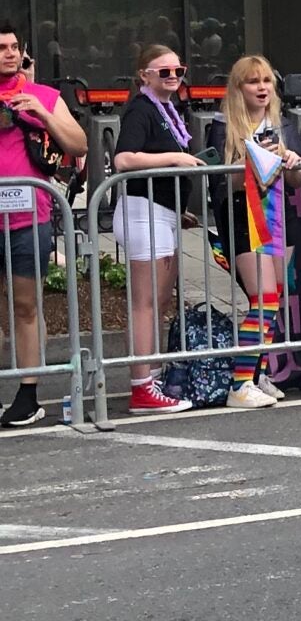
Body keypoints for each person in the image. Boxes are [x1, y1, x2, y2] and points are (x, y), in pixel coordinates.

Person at [0, 23, 89, 427]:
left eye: (14, 47)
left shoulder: (43, 95)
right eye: (2, 47)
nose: (9, 54)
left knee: (25, 305)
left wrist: (42, 115)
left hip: (28, 216)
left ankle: (28, 394)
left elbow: (79, 144)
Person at [111, 43, 206, 413]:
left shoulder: (168, 108)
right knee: (146, 302)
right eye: (164, 71)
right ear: (144, 75)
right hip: (143, 210)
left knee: (159, 300)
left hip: (161, 209)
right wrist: (175, 158)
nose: (173, 77)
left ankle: (149, 377)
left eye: (178, 71)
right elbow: (124, 158)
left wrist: (177, 209)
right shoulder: (141, 108)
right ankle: (141, 385)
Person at [210, 56, 301, 409]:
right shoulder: (222, 126)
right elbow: (222, 182)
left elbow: (298, 179)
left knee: (273, 299)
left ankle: (258, 373)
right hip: (242, 215)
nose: (262, 88)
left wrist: (292, 161)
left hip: (280, 214)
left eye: (266, 80)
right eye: (253, 81)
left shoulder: (283, 123)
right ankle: (240, 383)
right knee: (262, 299)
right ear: (239, 88)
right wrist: (250, 162)